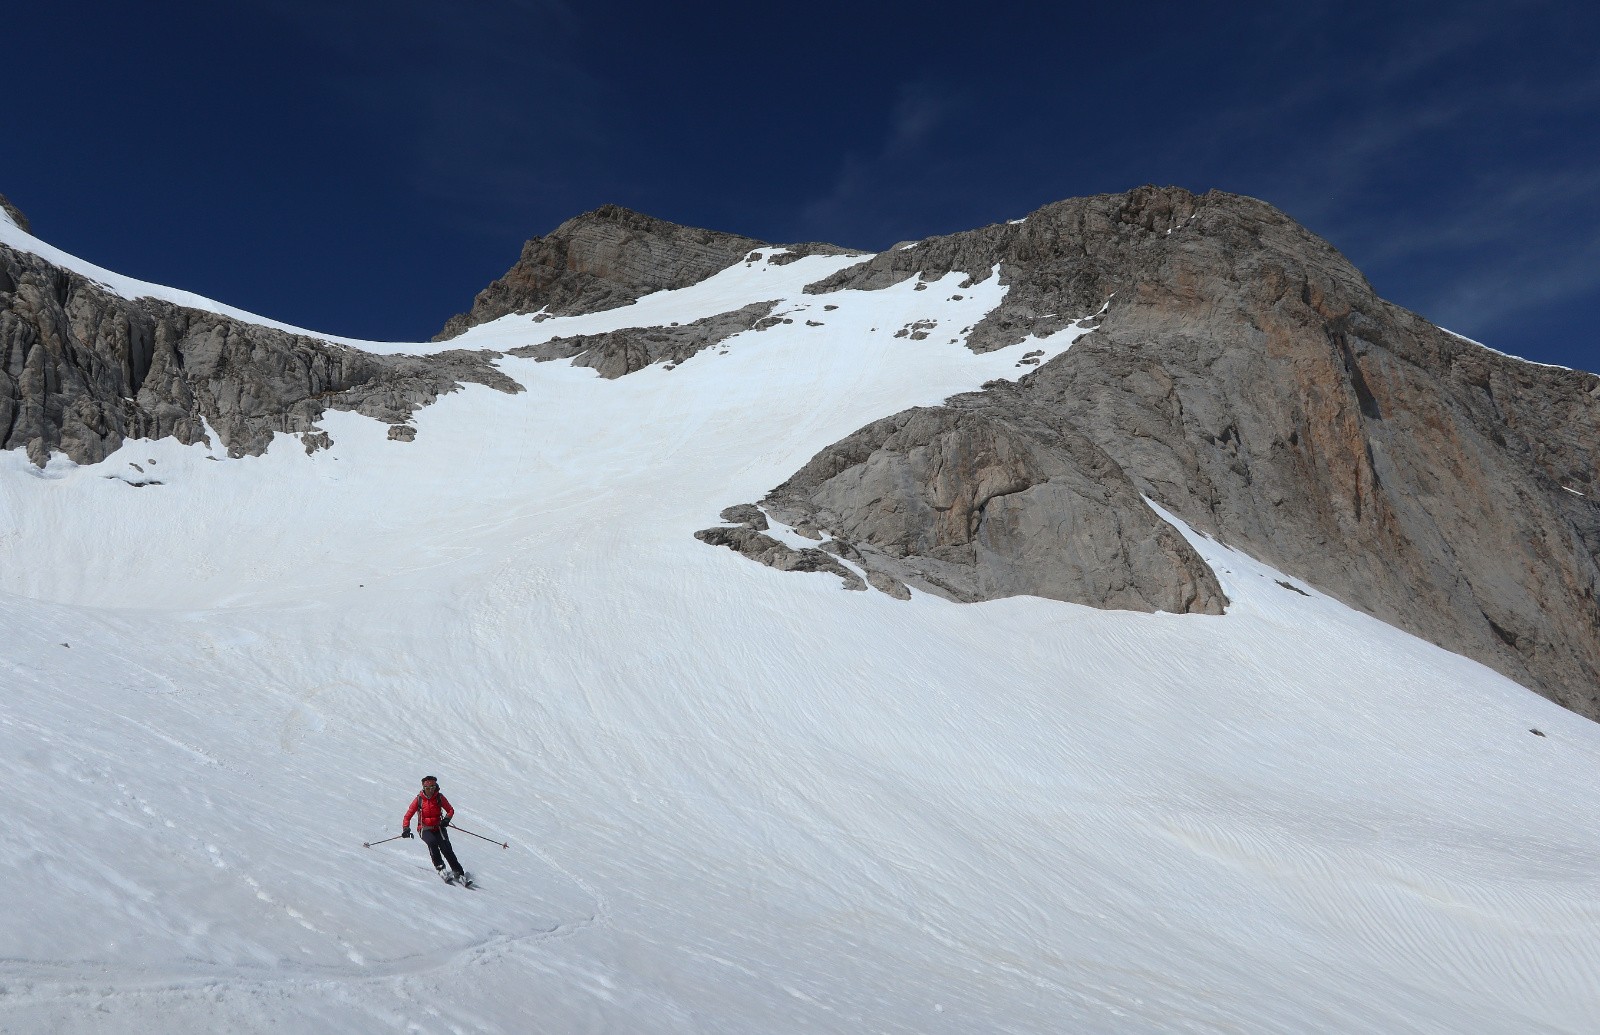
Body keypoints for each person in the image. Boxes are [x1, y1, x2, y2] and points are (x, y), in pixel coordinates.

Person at [402, 775, 467, 882]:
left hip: (439, 827)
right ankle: (440, 867)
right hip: (424, 828)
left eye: (432, 787)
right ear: (423, 788)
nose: (430, 790)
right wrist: (406, 828)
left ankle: (458, 872)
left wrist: (446, 820)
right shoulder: (419, 799)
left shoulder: (439, 797)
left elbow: (450, 810)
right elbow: (408, 815)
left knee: (446, 848)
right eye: (428, 788)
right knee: (432, 842)